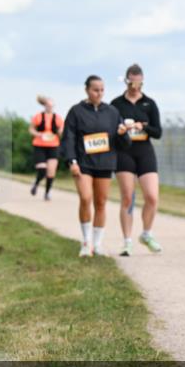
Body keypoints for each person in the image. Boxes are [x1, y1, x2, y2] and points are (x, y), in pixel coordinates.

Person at [60, 75, 131, 257]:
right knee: (85, 198)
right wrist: (71, 161)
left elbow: (124, 143)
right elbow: (69, 138)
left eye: (102, 90)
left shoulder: (113, 112)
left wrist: (123, 134)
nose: (99, 93)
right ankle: (86, 242)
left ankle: (97, 244)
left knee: (100, 203)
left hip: (105, 163)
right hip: (83, 163)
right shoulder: (76, 111)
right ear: (86, 90)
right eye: (95, 90)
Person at [111, 64, 164, 255]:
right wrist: (121, 131)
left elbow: (158, 132)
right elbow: (110, 132)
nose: (135, 84)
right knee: (127, 197)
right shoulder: (116, 104)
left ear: (142, 81)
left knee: (152, 196)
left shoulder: (149, 103)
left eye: (138, 80)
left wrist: (143, 126)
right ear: (127, 80)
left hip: (144, 151)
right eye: (132, 80)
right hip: (124, 152)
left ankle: (147, 234)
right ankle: (127, 241)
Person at [29, 96, 63, 200]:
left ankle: (47, 192)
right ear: (45, 106)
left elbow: (61, 130)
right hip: (40, 146)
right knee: (42, 170)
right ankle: (36, 183)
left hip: (53, 146)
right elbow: (31, 129)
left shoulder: (58, 118)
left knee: (51, 172)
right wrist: (39, 134)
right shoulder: (38, 117)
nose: (50, 107)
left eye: (51, 106)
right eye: (48, 105)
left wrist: (60, 132)